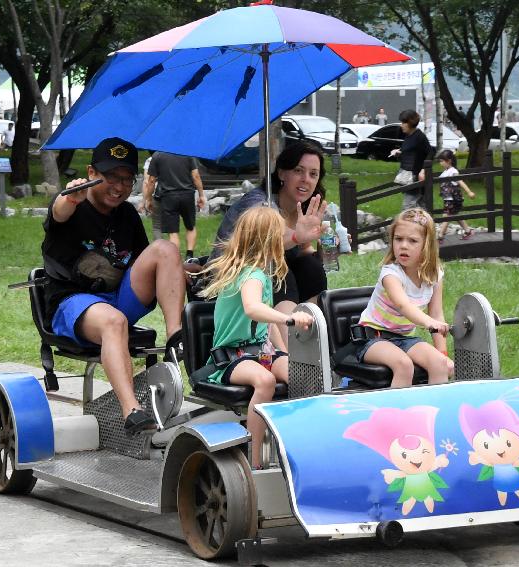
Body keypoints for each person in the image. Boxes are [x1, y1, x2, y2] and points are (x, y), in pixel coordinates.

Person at [42, 137, 189, 434]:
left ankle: (176, 337)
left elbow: (146, 263)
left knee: (166, 249)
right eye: (111, 177)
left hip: (117, 294)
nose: (119, 187)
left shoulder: (128, 215)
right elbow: (58, 212)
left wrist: (183, 269)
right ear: (92, 173)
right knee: (114, 321)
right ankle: (132, 410)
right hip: (73, 301)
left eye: (126, 179)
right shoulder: (73, 205)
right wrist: (69, 198)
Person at [197, 207, 314, 469]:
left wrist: (285, 354)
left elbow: (265, 321)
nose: (286, 237)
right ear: (268, 240)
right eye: (280, 233)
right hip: (232, 357)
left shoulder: (261, 272)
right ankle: (255, 456)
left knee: (302, 373)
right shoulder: (251, 275)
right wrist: (289, 319)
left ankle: (295, 442)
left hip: (263, 351)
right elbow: (253, 308)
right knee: (265, 380)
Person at [208, 142, 328, 347]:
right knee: (280, 272)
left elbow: (303, 253)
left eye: (313, 174)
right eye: (298, 171)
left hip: (270, 275)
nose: (306, 180)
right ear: (282, 173)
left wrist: (328, 248)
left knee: (312, 268)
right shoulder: (260, 203)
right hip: (232, 278)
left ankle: (311, 337)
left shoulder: (305, 208)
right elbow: (265, 245)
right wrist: (298, 237)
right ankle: (293, 350)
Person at [354, 208, 453, 388]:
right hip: (373, 338)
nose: (403, 245)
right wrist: (429, 323)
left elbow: (437, 314)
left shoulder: (435, 276)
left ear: (427, 245)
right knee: (404, 365)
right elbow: (403, 305)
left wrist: (443, 353)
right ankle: (396, 415)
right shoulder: (391, 273)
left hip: (405, 338)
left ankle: (434, 412)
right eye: (398, 239)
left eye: (412, 241)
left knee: (440, 364)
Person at [143, 151, 206, 260]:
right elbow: (195, 176)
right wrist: (201, 195)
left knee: (173, 232)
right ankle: (189, 256)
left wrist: (148, 199)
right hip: (187, 194)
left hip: (168, 196)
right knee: (190, 227)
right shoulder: (187, 153)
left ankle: (176, 259)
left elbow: (151, 180)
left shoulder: (157, 155)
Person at [389, 109, 432, 210]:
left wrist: (423, 170)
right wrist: (398, 153)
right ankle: (426, 225)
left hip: (415, 177)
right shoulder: (408, 137)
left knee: (408, 208)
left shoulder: (419, 137)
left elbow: (430, 152)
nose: (401, 125)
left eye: (404, 122)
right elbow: (409, 153)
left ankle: (411, 225)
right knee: (421, 207)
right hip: (407, 176)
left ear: (410, 123)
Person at [436, 150, 477, 242]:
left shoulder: (453, 171)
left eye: (442, 161)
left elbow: (460, 181)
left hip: (452, 199)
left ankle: (440, 236)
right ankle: (468, 231)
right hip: (448, 198)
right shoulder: (446, 172)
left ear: (449, 161)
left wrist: (469, 192)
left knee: (446, 216)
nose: (440, 163)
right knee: (454, 215)